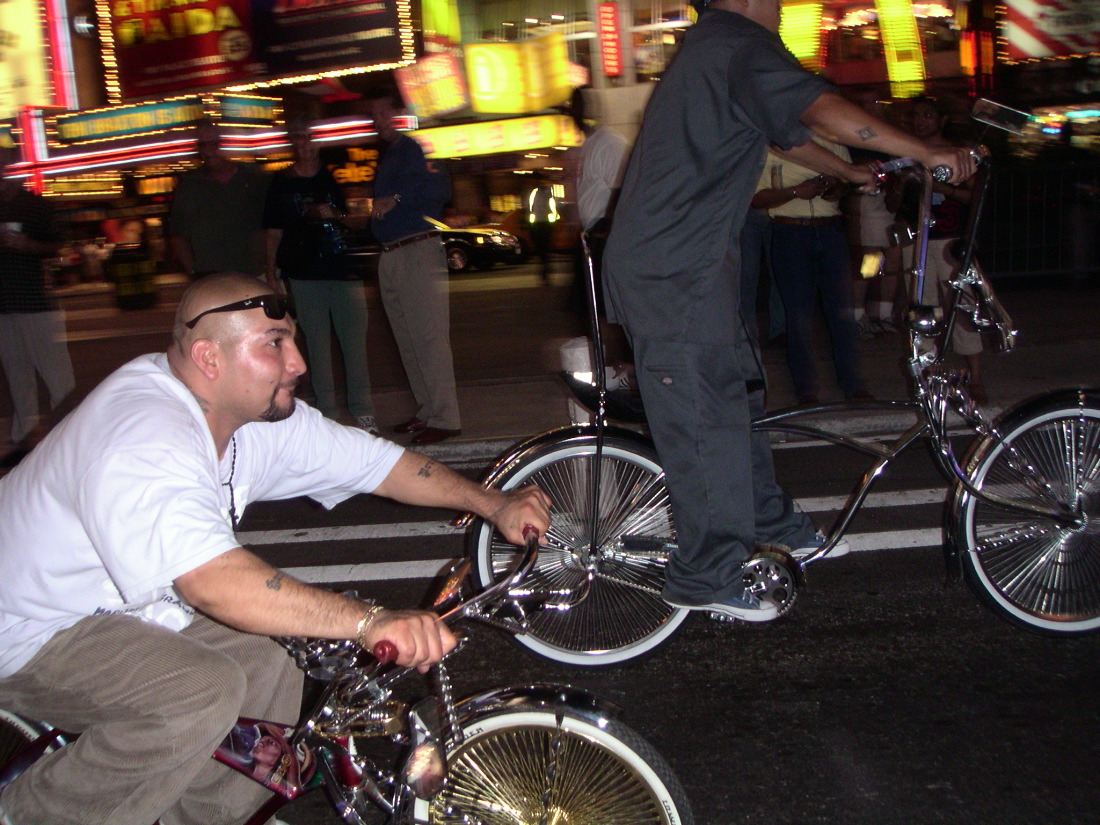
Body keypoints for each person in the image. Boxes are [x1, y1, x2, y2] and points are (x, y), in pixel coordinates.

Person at [0, 273, 550, 825]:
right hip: (31, 625)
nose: (299, 363)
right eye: (275, 345)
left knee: (274, 652)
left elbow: (378, 464)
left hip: (127, 608)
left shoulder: (249, 418)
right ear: (208, 357)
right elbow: (212, 582)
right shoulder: (145, 434)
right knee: (197, 693)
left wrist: (492, 503)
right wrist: (370, 622)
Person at [601, 0, 975, 621]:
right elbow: (819, 109)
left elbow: (788, 135)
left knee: (739, 392)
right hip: (672, 267)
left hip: (688, 263)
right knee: (705, 412)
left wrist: (850, 174)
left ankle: (770, 519)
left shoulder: (717, 47)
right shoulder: (738, 42)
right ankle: (707, 572)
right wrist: (925, 150)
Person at [263, 117, 380, 433]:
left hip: (344, 271)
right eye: (297, 137)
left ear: (319, 143)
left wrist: (336, 214)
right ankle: (327, 413)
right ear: (292, 143)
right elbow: (272, 232)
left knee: (353, 343)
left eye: (309, 138)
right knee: (316, 345)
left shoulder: (338, 176)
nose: (304, 144)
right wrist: (271, 273)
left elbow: (361, 219)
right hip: (304, 274)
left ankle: (363, 411)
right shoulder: (281, 183)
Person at [364, 88, 462, 445]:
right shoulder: (391, 153)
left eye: (382, 112)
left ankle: (446, 417)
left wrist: (397, 198)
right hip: (392, 252)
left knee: (428, 337)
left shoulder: (417, 145)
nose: (378, 121)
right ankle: (428, 410)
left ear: (399, 111)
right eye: (373, 116)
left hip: (417, 250)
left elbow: (439, 188)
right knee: (407, 339)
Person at [752, 140, 872, 405]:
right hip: (789, 232)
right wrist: (796, 191)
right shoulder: (772, 146)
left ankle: (853, 384)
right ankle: (806, 388)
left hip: (830, 230)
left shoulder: (834, 142)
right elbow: (756, 198)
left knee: (843, 312)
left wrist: (834, 188)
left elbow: (846, 182)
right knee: (798, 316)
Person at [897, 96, 986, 402]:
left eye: (927, 115)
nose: (921, 121)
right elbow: (894, 204)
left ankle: (975, 377)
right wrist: (901, 183)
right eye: (916, 116)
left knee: (962, 306)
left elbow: (973, 196)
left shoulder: (955, 153)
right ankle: (926, 380)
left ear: (941, 119)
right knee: (921, 311)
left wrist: (941, 186)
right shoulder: (905, 153)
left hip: (951, 241)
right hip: (917, 242)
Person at [0, 137, 75, 457]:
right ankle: (23, 438)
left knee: (57, 375)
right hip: (3, 307)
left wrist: (27, 246)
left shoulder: (37, 206)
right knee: (17, 376)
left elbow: (58, 244)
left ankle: (72, 435)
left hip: (37, 304)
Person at [168, 119, 270, 280]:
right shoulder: (190, 186)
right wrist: (194, 273)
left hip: (254, 275)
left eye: (213, 144)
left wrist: (269, 269)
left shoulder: (256, 179)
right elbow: (177, 236)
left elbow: (273, 229)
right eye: (202, 145)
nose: (208, 151)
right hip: (211, 279)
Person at [526, 171, 559, 282]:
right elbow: (531, 209)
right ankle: (545, 268)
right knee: (541, 248)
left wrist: (553, 220)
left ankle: (545, 269)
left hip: (543, 223)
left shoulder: (545, 192)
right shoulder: (536, 192)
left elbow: (551, 206)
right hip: (539, 223)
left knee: (543, 247)